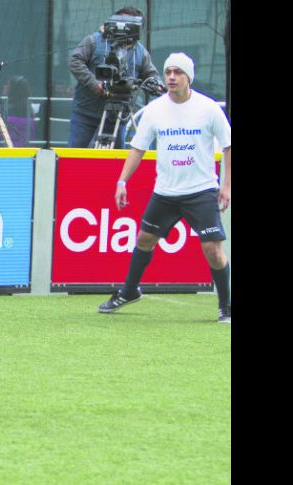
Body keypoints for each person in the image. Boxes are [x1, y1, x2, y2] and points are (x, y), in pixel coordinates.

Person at [97, 53, 231, 324]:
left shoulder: (208, 108)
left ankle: (225, 306)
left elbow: (228, 146)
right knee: (144, 240)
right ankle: (129, 291)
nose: (171, 77)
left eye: (177, 72)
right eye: (168, 71)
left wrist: (226, 186)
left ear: (188, 77)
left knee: (213, 250)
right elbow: (138, 148)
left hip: (201, 190)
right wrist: (122, 181)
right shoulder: (155, 110)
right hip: (165, 193)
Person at [68, 6, 161, 149]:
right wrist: (94, 84)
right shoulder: (94, 41)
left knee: (116, 160)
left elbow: (151, 74)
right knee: (75, 157)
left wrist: (158, 86)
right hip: (86, 114)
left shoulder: (140, 52)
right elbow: (75, 61)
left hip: (118, 115)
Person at [3, 75, 35, 147]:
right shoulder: (28, 107)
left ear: (12, 89)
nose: (5, 87)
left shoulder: (12, 109)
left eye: (7, 85)